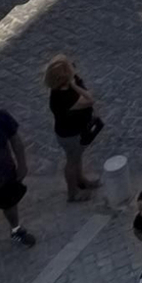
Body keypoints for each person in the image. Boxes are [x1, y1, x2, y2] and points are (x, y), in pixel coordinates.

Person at [43, 57, 100, 203]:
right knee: (72, 161)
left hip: (74, 131)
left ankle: (81, 180)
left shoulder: (61, 88)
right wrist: (74, 86)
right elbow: (89, 100)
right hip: (70, 135)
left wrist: (74, 83)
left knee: (77, 157)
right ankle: (73, 193)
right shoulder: (63, 98)